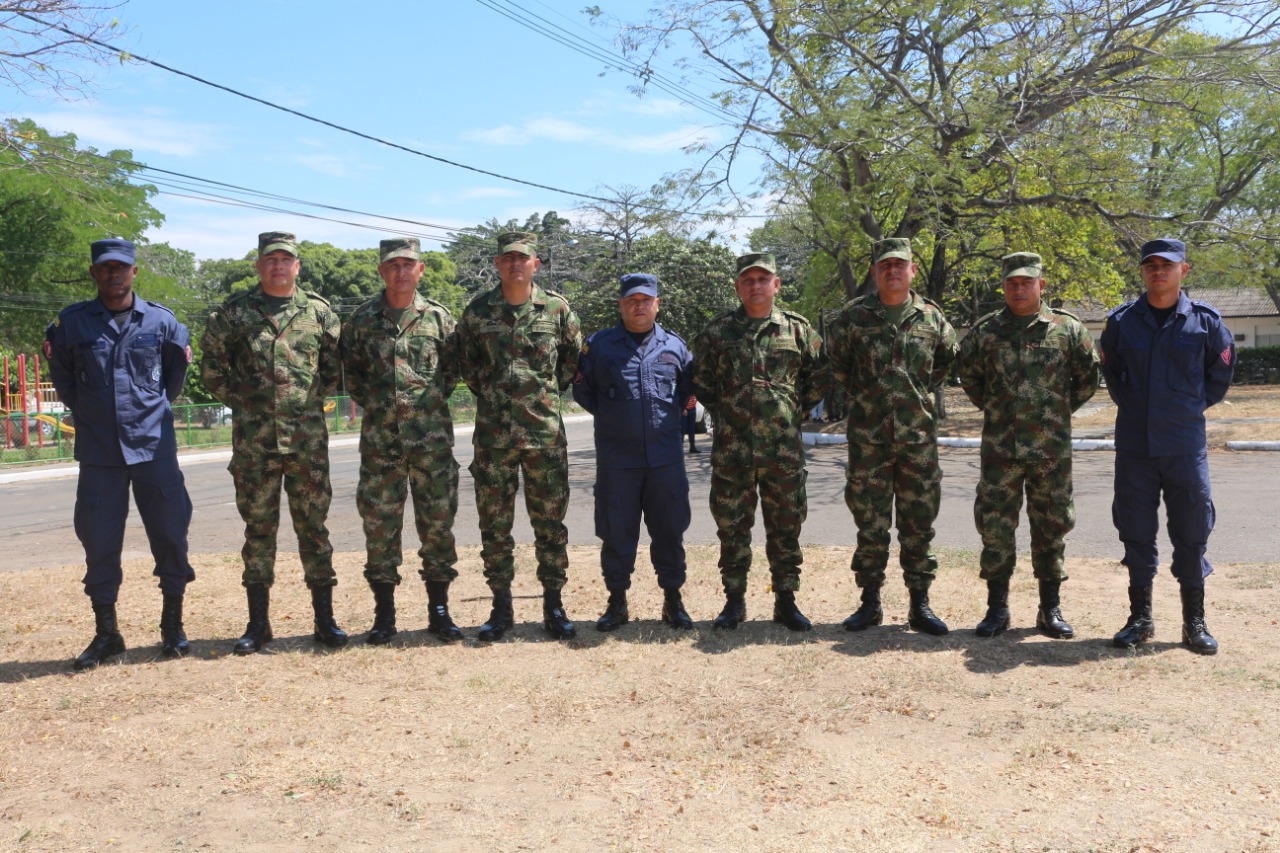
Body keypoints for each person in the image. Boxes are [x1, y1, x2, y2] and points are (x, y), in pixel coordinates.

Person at [44, 238, 196, 670]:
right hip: (99, 451)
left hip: (154, 448)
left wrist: (147, 414)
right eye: (105, 268)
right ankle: (107, 634)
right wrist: (96, 415)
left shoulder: (162, 322)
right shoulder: (72, 325)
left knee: (170, 535)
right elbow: (66, 383)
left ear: (134, 272)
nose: (114, 275)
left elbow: (173, 379)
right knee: (99, 541)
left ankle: (172, 628)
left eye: (121, 268)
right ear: (94, 273)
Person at [200, 231, 347, 654]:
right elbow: (212, 367)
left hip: (307, 445)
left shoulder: (319, 314)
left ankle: (325, 621)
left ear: (297, 266)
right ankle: (258, 624)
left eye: (287, 259)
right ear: (259, 266)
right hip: (255, 445)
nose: (279, 266)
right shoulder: (235, 314)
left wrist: (308, 402)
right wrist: (245, 402)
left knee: (314, 530)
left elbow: (335, 368)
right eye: (271, 259)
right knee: (258, 532)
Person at [1100, 238, 1234, 655]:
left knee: (1192, 531)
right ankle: (1140, 618)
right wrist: (1146, 411)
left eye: (1167, 265)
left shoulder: (1207, 323)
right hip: (1136, 446)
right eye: (1150, 265)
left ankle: (1194, 621)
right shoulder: (1122, 323)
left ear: (1184, 270)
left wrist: (1183, 409)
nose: (1158, 271)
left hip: (1184, 444)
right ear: (1142, 271)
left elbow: (1219, 377)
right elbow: (1115, 376)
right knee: (1136, 530)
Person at [956, 252, 1100, 639]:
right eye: (1012, 283)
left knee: (1051, 525)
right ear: (1003, 286)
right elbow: (969, 377)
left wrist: (1055, 412)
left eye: (1026, 282)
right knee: (995, 527)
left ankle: (1049, 609)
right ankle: (997, 609)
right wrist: (999, 408)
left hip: (1050, 451)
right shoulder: (986, 332)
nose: (1019, 289)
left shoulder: (1066, 329)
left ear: (1041, 284)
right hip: (1000, 449)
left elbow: (1088, 378)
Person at [826, 237, 957, 636]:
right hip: (869, 441)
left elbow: (943, 368)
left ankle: (920, 604)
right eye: (885, 266)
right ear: (874, 272)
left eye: (900, 265)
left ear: (912, 270)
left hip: (918, 440)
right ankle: (869, 603)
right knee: (870, 524)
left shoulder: (932, 319)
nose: (893, 271)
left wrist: (911, 401)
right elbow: (841, 369)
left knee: (919, 526)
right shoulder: (851, 319)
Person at [457, 231, 583, 641]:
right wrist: (499, 400)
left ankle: (554, 604)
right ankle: (500, 606)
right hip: (493, 439)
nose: (515, 264)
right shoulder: (477, 312)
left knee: (550, 526)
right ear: (497, 263)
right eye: (507, 258)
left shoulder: (557, 310)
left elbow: (569, 365)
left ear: (536, 264)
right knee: (494, 527)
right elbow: (471, 370)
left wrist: (538, 400)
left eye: (523, 258)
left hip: (544, 437)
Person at [692, 252, 827, 631]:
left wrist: (787, 410)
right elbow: (701, 381)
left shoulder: (797, 330)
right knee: (732, 529)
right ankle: (734, 602)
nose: (755, 285)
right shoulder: (717, 332)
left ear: (776, 285)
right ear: (737, 286)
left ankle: (786, 601)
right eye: (748, 280)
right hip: (732, 451)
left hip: (782, 452)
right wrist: (730, 413)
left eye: (762, 279)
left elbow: (817, 379)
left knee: (786, 527)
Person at [340, 238, 462, 645]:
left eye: (408, 264)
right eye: (393, 265)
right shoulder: (361, 321)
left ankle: (439, 611)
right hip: (381, 446)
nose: (401, 272)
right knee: (380, 530)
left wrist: (423, 408)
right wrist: (381, 404)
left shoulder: (440, 320)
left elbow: (452, 373)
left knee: (438, 528)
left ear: (421, 269)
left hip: (432, 445)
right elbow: (352, 375)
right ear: (381, 271)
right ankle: (384, 615)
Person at [572, 273, 695, 631]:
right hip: (617, 461)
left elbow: (686, 394)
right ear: (621, 305)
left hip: (665, 461)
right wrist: (617, 419)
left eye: (646, 300)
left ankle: (673, 601)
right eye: (631, 300)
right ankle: (617, 603)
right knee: (616, 533)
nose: (639, 306)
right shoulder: (600, 346)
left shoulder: (675, 346)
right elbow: (585, 393)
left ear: (657, 304)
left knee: (670, 532)